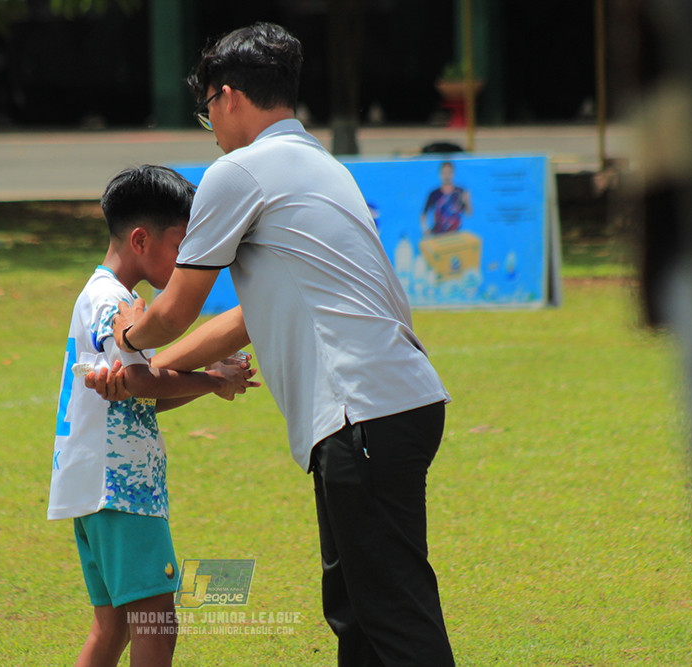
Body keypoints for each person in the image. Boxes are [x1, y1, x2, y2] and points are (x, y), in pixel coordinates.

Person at [97, 23, 455, 666]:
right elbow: (243, 321)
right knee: (357, 612)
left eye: (206, 106)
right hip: (396, 403)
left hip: (361, 410)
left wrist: (127, 337)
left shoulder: (240, 171)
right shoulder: (319, 165)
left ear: (228, 96)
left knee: (393, 617)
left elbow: (176, 307)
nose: (209, 123)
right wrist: (156, 365)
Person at [49, 165, 258, 667]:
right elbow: (141, 381)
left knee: (114, 626)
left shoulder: (101, 294)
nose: (189, 259)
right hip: (120, 486)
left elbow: (139, 390)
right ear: (141, 239)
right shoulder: (114, 301)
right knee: (156, 625)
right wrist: (213, 381)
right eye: (182, 244)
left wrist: (207, 379)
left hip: (92, 482)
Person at [420, 160, 471, 235]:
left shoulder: (460, 192)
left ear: (453, 173)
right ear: (440, 174)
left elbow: (468, 214)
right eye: (444, 173)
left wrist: (467, 201)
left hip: (455, 235)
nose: (447, 176)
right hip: (438, 235)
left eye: (449, 172)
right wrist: (425, 230)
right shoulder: (434, 193)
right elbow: (424, 214)